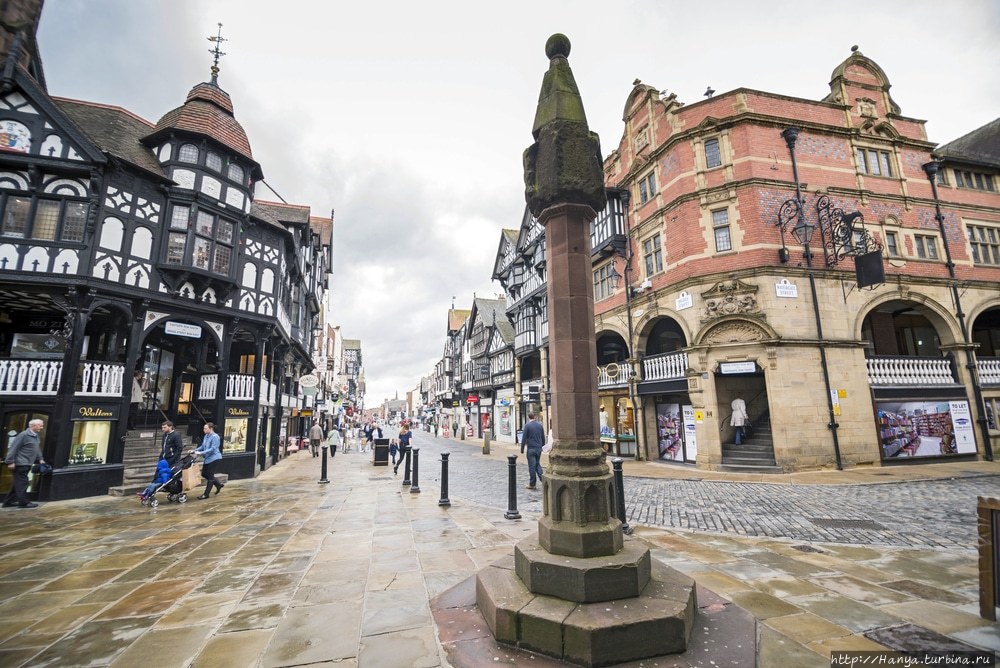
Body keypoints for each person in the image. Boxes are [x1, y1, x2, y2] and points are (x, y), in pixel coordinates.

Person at [3, 418, 45, 508]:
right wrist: (10, 461)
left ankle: (8, 501)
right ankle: (23, 502)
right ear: (33, 425)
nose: (42, 427)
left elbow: (36, 448)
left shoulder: (35, 435)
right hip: (20, 463)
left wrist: (40, 459)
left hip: (27, 463)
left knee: (17, 483)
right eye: (40, 425)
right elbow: (13, 448)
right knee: (23, 483)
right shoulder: (24, 435)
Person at [193, 422, 223, 499]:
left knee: (210, 476)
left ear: (211, 429)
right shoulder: (206, 436)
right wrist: (194, 450)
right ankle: (218, 484)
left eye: (205, 428)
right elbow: (203, 446)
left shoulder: (215, 437)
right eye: (204, 428)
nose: (203, 430)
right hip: (207, 458)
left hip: (214, 458)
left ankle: (206, 494)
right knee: (204, 474)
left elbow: (213, 449)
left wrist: (200, 453)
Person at [520, 412, 545, 490]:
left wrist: (522, 449)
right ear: (535, 417)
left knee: (532, 466)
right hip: (538, 448)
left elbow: (523, 438)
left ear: (528, 417)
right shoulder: (540, 426)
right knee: (537, 464)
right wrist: (542, 446)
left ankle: (532, 484)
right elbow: (543, 437)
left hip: (531, 449)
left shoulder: (527, 426)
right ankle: (543, 480)